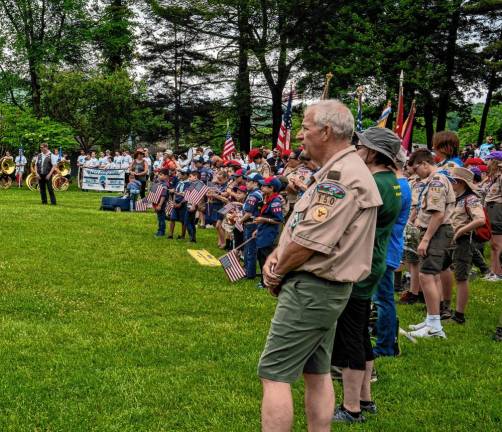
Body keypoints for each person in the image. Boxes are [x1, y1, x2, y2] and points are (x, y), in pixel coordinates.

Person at [258, 100, 382, 432]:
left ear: (326, 132)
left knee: (274, 375)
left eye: (305, 127)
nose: (299, 135)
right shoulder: (340, 171)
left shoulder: (341, 177)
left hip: (313, 288)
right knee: (317, 372)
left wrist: (277, 270)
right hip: (324, 289)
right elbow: (303, 229)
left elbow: (310, 241)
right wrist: (278, 255)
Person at [331, 127, 402, 423]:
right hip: (374, 261)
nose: (356, 149)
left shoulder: (375, 183)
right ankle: (365, 399)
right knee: (360, 332)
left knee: (350, 336)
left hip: (360, 264)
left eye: (360, 146)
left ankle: (351, 408)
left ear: (372, 153)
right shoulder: (392, 182)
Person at [407, 149, 455, 339]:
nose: (416, 173)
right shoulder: (434, 180)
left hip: (436, 232)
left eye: (417, 168)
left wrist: (425, 239)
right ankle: (430, 319)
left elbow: (438, 214)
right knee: (430, 275)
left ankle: (435, 326)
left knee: (426, 275)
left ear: (425, 164)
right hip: (434, 231)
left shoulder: (436, 181)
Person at [373, 148, 412, 357]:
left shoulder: (398, 186)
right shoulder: (401, 185)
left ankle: (386, 345)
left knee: (383, 299)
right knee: (381, 298)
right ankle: (384, 339)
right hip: (388, 247)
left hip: (386, 248)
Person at [441, 167, 487, 323]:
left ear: (460, 182)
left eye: (452, 180)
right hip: (449, 241)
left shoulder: (470, 199)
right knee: (441, 269)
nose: (450, 183)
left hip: (463, 242)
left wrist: (461, 231)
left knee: (461, 277)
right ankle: (445, 306)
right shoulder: (456, 197)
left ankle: (459, 315)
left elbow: (480, 219)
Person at [254, 177, 284, 289]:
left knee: (266, 258)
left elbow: (279, 219)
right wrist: (257, 229)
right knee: (261, 257)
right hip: (263, 232)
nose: (261, 187)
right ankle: (263, 280)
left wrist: (263, 220)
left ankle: (267, 281)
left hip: (269, 234)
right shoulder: (267, 199)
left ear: (272, 188)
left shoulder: (275, 202)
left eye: (264, 186)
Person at [238, 172, 264, 279]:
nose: (246, 183)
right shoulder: (258, 193)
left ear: (255, 183)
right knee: (251, 249)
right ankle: (248, 271)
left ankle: (250, 274)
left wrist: (239, 221)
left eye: (248, 181)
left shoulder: (253, 195)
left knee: (250, 250)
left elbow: (248, 213)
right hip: (255, 223)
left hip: (251, 224)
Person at [483, 151, 502, 280]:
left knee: (498, 243)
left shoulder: (501, 177)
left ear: (495, 161)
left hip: (497, 209)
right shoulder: (494, 177)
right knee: (493, 244)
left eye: (489, 159)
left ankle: (499, 272)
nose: (487, 162)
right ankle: (493, 271)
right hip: (491, 209)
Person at [168, 168, 189, 239]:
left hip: (183, 204)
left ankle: (182, 235)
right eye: (180, 173)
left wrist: (180, 203)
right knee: (172, 218)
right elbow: (175, 193)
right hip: (175, 202)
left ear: (186, 175)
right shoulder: (178, 182)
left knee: (183, 220)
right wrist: (174, 202)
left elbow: (187, 196)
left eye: (182, 174)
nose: (179, 175)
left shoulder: (188, 184)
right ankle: (170, 234)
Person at [153, 169, 170, 237]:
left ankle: (161, 231)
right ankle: (159, 230)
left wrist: (160, 205)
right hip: (157, 202)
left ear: (166, 176)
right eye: (159, 174)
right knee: (159, 217)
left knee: (161, 218)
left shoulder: (165, 185)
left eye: (161, 175)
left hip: (161, 203)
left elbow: (163, 195)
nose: (159, 176)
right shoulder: (160, 183)